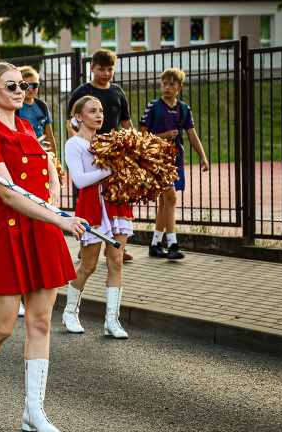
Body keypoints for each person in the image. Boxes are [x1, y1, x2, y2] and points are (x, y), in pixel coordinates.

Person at [0, 62, 85, 432]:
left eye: (23, 84)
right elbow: (9, 194)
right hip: (9, 232)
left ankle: (33, 411)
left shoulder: (28, 126)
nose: (20, 89)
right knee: (2, 326)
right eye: (11, 84)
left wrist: (57, 201)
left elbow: (47, 175)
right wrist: (59, 219)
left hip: (42, 230)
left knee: (41, 322)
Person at [62, 96, 132, 338]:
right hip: (92, 206)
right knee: (89, 265)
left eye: (101, 110)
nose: (99, 115)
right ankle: (70, 312)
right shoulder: (74, 144)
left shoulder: (108, 141)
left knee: (116, 261)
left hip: (116, 205)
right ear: (79, 117)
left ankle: (112, 322)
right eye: (92, 111)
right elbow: (79, 180)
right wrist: (109, 169)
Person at [139, 67, 209, 260]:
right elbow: (141, 135)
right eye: (164, 83)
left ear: (179, 87)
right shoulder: (153, 107)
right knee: (171, 199)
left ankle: (154, 244)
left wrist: (202, 156)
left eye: (171, 84)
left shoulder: (184, 109)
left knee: (165, 202)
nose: (167, 87)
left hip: (176, 160)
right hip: (156, 160)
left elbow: (192, 135)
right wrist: (162, 136)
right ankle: (173, 244)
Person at [16, 66, 56, 152]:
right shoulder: (15, 107)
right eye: (26, 85)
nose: (30, 89)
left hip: (43, 152)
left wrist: (54, 159)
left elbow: (49, 134)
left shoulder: (42, 106)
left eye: (34, 85)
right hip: (25, 152)